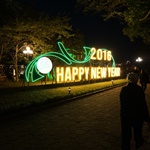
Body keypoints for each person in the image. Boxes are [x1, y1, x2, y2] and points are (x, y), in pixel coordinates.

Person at [120, 72, 150, 150]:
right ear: (137, 80)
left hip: (126, 115)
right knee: (138, 133)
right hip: (137, 116)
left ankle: (125, 147)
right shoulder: (139, 90)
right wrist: (147, 117)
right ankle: (139, 146)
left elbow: (122, 103)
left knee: (126, 135)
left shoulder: (124, 89)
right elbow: (143, 104)